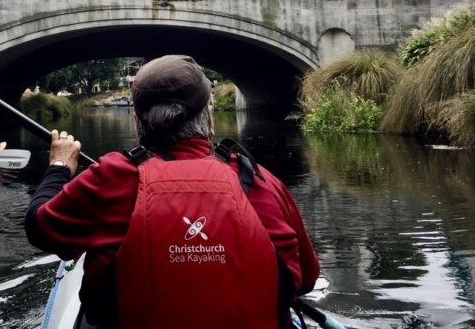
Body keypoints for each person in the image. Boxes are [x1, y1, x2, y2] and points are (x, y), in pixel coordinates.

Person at [25, 55, 320, 329]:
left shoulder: (112, 177)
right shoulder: (261, 181)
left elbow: (41, 228)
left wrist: (60, 166)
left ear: (137, 121)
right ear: (209, 116)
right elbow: (305, 279)